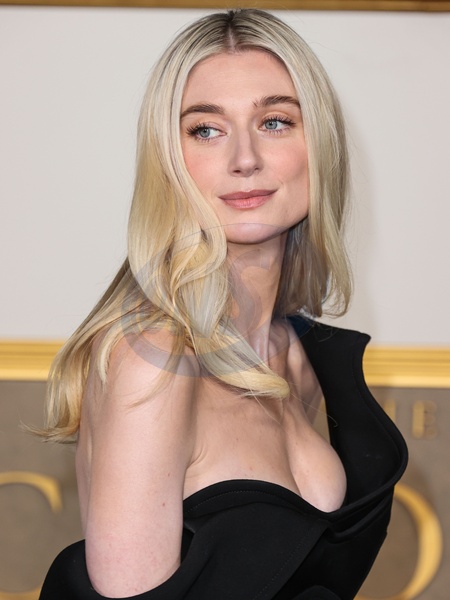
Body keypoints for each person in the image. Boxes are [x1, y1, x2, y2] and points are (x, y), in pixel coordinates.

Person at [39, 9, 407, 600]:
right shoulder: (155, 360)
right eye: (206, 130)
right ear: (168, 158)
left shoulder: (293, 355)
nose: (245, 158)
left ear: (319, 144)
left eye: (276, 122)